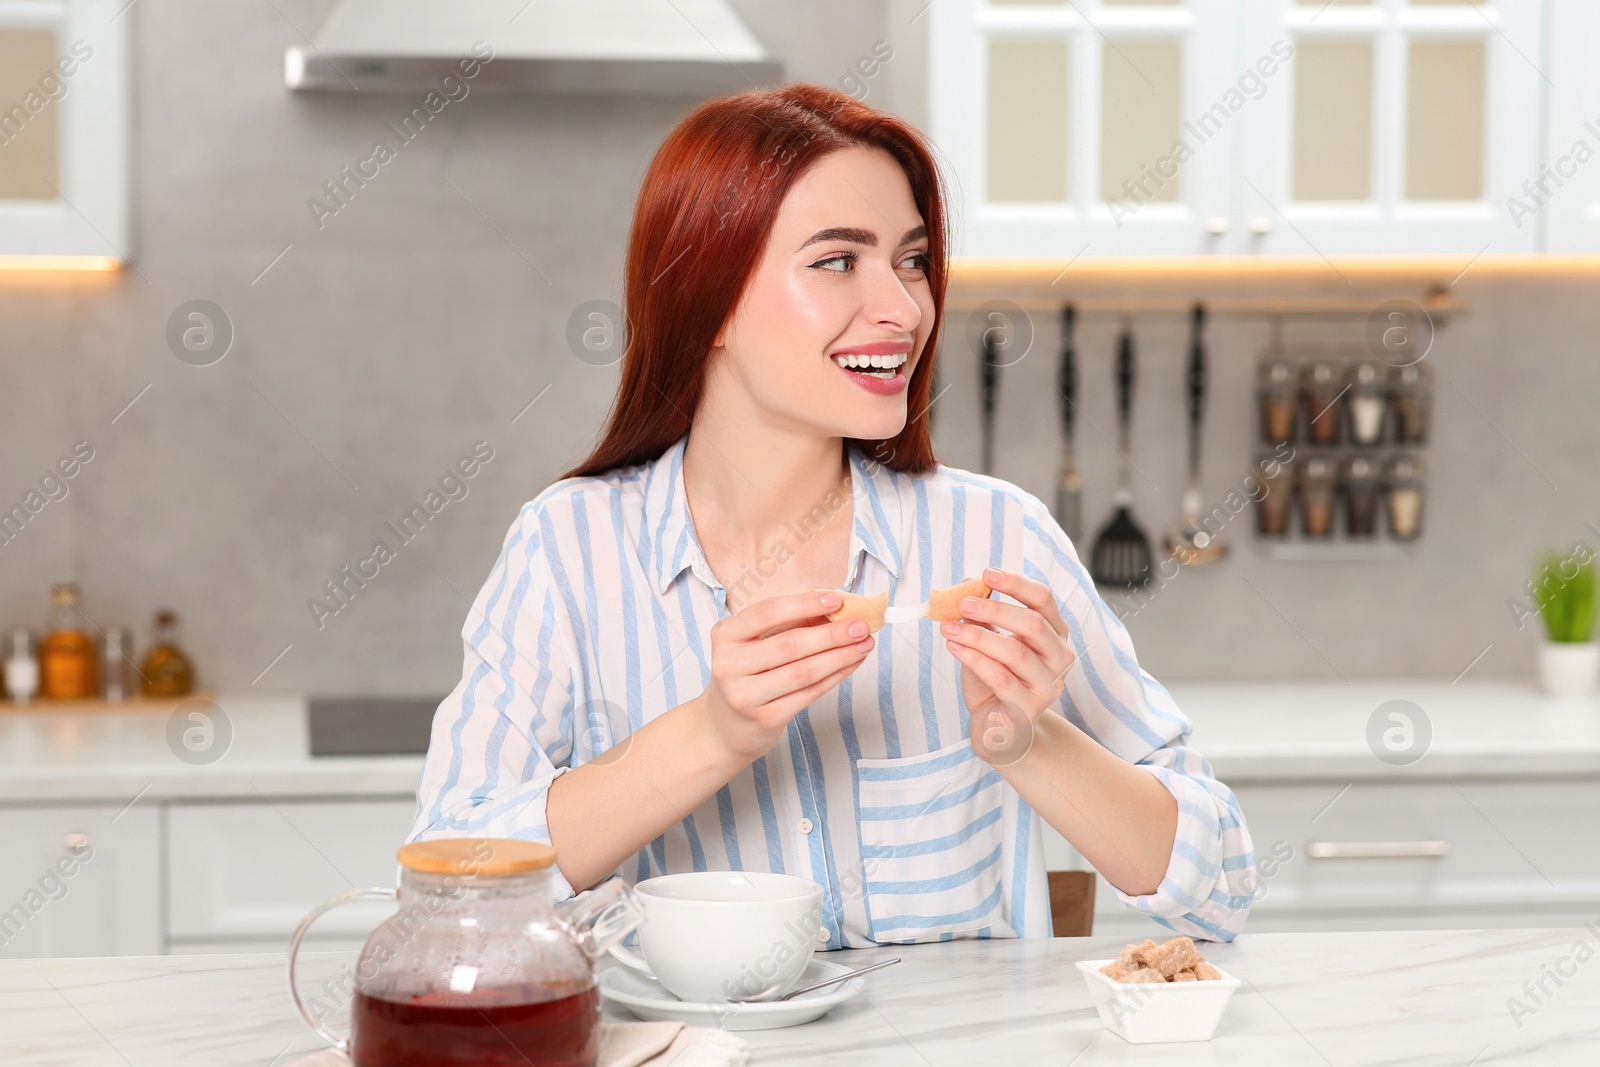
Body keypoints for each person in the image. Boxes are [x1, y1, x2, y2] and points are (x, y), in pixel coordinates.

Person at [410, 83, 1256, 945]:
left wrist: (1031, 745)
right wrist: (711, 733)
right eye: (837, 261)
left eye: (912, 260)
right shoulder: (570, 549)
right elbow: (446, 894)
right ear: (709, 298)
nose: (904, 309)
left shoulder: (997, 538)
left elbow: (1220, 887)